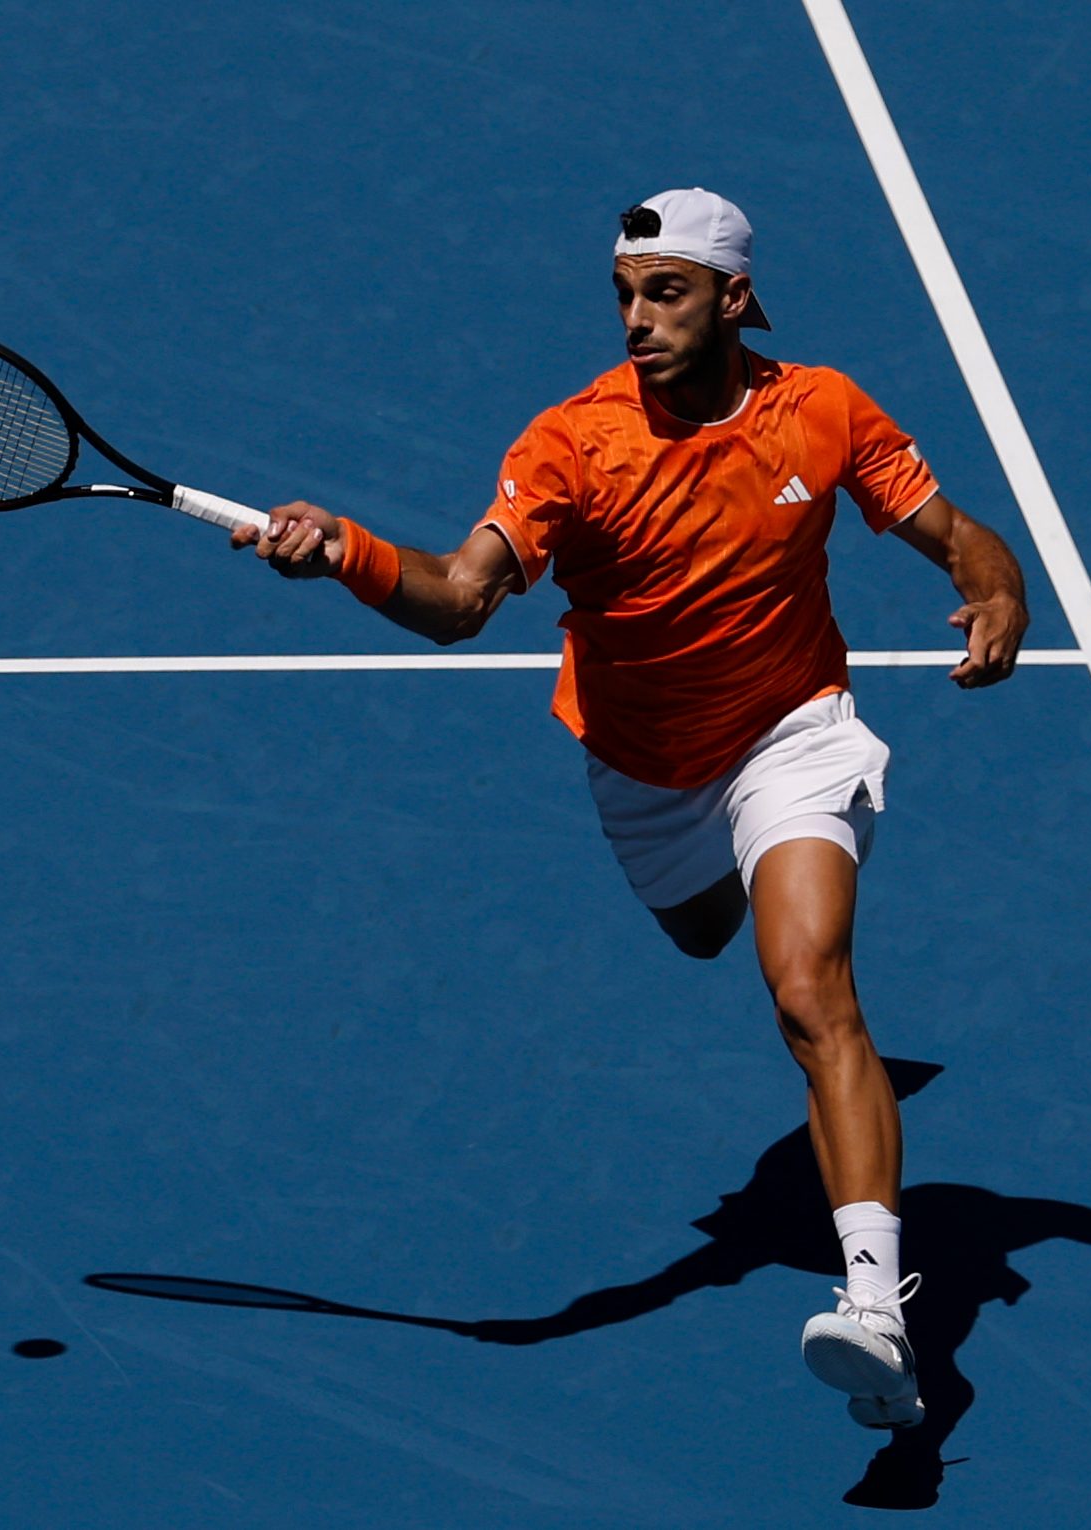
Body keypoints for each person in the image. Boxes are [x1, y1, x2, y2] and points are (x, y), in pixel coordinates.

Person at [231, 187, 1029, 1431]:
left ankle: (876, 1312)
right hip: (643, 766)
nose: (636, 319)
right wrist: (346, 550)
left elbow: (954, 531)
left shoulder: (820, 409)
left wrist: (997, 591)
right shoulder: (570, 445)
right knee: (702, 932)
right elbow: (455, 597)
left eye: (664, 292)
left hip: (790, 732)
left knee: (807, 988)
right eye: (622, 293)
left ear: (734, 297)